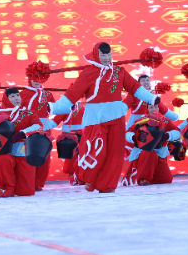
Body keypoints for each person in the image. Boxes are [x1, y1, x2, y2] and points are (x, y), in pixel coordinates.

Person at [49, 42, 160, 194]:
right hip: (96, 118)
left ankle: (106, 185)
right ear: (97, 55)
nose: (107, 58)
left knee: (115, 154)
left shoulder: (119, 71)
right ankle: (89, 178)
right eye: (103, 55)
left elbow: (135, 87)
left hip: (116, 117)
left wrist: (151, 98)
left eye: (109, 54)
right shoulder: (88, 73)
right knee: (96, 150)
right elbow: (72, 94)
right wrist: (55, 108)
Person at [0, 88, 42, 197]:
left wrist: (23, 133)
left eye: (18, 95)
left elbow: (38, 126)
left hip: (22, 151)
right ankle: (7, 188)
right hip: (5, 151)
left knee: (26, 192)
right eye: (12, 96)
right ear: (6, 99)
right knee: (2, 159)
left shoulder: (28, 113)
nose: (16, 98)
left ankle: (16, 188)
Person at [121, 102, 181, 186]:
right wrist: (133, 137)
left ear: (158, 108)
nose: (153, 109)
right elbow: (129, 132)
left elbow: (178, 132)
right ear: (147, 109)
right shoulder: (141, 120)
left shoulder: (165, 121)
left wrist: (169, 136)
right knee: (150, 153)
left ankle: (150, 177)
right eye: (151, 107)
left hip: (160, 153)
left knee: (166, 179)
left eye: (155, 107)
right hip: (144, 153)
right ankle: (142, 178)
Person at [20, 78, 58, 191]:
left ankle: (39, 183)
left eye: (39, 79)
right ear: (29, 79)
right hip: (28, 127)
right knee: (27, 154)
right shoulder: (23, 94)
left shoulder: (48, 95)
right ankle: (28, 182)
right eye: (34, 79)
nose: (37, 81)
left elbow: (56, 110)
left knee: (44, 155)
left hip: (44, 128)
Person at [44, 100, 85, 185]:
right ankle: (79, 177)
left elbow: (54, 122)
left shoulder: (70, 107)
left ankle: (76, 177)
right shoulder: (82, 106)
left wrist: (42, 126)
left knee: (74, 159)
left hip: (72, 137)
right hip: (78, 136)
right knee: (78, 158)